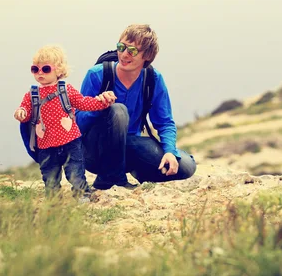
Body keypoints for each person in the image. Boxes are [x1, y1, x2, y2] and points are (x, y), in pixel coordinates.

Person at [76, 24, 197, 190]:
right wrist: (98, 107)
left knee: (186, 166)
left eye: (132, 51)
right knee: (118, 111)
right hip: (95, 151)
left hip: (129, 147)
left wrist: (169, 151)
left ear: (147, 55)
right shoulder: (96, 75)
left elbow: (165, 122)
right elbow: (78, 124)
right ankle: (112, 180)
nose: (124, 54)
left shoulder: (153, 79)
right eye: (121, 47)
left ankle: (140, 172)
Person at [14, 45, 116, 198]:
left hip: (70, 141)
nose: (40, 73)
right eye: (35, 69)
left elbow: (83, 103)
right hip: (45, 144)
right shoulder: (31, 94)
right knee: (49, 174)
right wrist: (21, 113)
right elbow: (26, 112)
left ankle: (82, 194)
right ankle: (53, 197)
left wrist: (102, 102)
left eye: (46, 69)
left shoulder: (65, 89)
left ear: (59, 70)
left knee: (75, 171)